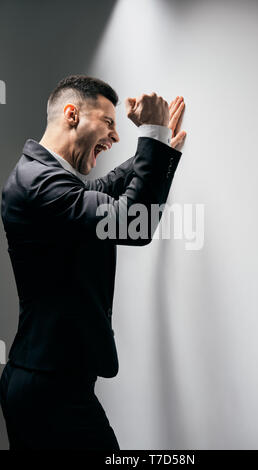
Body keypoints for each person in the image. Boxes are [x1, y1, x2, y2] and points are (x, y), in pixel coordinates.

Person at [0, 75, 186, 450]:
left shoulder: (46, 177)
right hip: (47, 389)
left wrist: (159, 143)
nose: (116, 137)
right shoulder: (38, 182)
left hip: (51, 382)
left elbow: (104, 189)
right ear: (72, 115)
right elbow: (134, 222)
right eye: (109, 123)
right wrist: (151, 134)